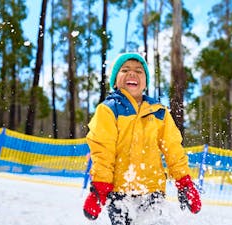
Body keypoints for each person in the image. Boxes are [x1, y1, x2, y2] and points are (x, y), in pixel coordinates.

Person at [83, 53, 201, 224]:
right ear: (115, 81)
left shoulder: (159, 112)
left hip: (153, 191)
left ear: (145, 83)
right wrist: (100, 186)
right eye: (125, 70)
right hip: (120, 193)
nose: (132, 74)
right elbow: (103, 151)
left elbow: (173, 149)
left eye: (139, 71)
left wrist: (184, 182)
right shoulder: (108, 110)